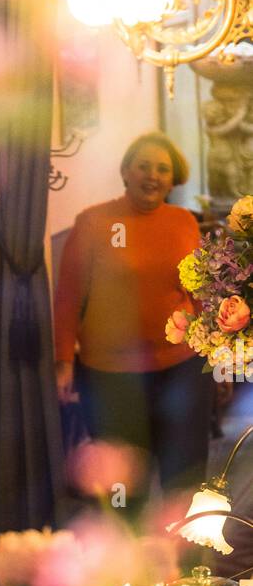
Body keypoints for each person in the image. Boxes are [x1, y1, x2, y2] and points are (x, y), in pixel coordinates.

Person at [54, 131, 210, 500]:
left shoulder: (184, 221)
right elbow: (68, 298)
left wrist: (216, 350)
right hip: (113, 378)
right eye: (143, 166)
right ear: (126, 172)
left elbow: (200, 290)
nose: (152, 176)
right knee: (123, 487)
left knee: (184, 480)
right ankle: (127, 555)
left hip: (182, 368)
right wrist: (63, 362)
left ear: (173, 180)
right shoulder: (93, 222)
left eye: (162, 169)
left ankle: (187, 556)